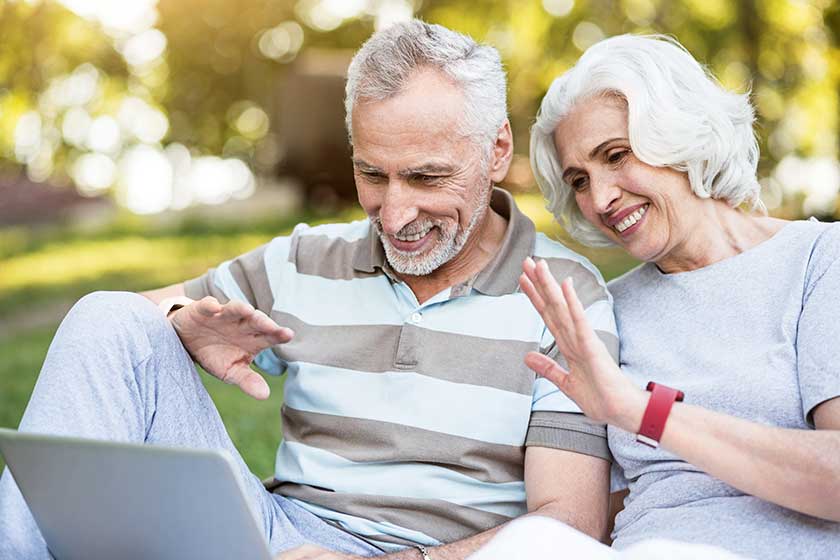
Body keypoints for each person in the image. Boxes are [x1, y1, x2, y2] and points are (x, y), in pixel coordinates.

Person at [0, 21, 620, 560]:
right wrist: (185, 318)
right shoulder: (307, 259)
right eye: (372, 174)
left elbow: (569, 524)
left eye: (427, 177)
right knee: (104, 315)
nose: (396, 214)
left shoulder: (565, 296)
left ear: (496, 151)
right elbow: (130, 328)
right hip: (281, 537)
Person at [472, 34, 840, 559]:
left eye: (616, 155)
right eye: (580, 180)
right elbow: (606, 505)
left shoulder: (819, 261)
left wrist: (642, 411)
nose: (599, 199)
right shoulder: (604, 308)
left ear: (679, 132)